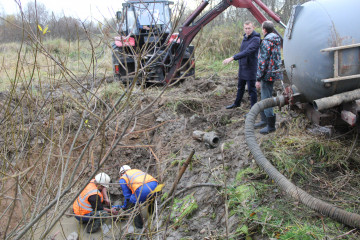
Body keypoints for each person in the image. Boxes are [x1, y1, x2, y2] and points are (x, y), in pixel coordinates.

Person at [223, 21, 261, 109]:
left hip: (251, 68)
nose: (247, 30)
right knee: (240, 87)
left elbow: (247, 51)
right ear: (244, 28)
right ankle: (237, 103)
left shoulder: (256, 39)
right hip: (243, 67)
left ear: (253, 28)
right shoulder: (245, 37)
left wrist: (232, 58)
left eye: (249, 28)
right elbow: (242, 51)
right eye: (246, 28)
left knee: (252, 90)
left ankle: (253, 109)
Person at [255, 20, 283, 134]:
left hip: (267, 74)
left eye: (262, 28)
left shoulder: (267, 42)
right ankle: (264, 120)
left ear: (264, 30)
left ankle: (270, 126)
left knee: (266, 98)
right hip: (274, 72)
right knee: (264, 96)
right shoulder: (276, 40)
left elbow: (263, 62)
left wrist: (258, 78)